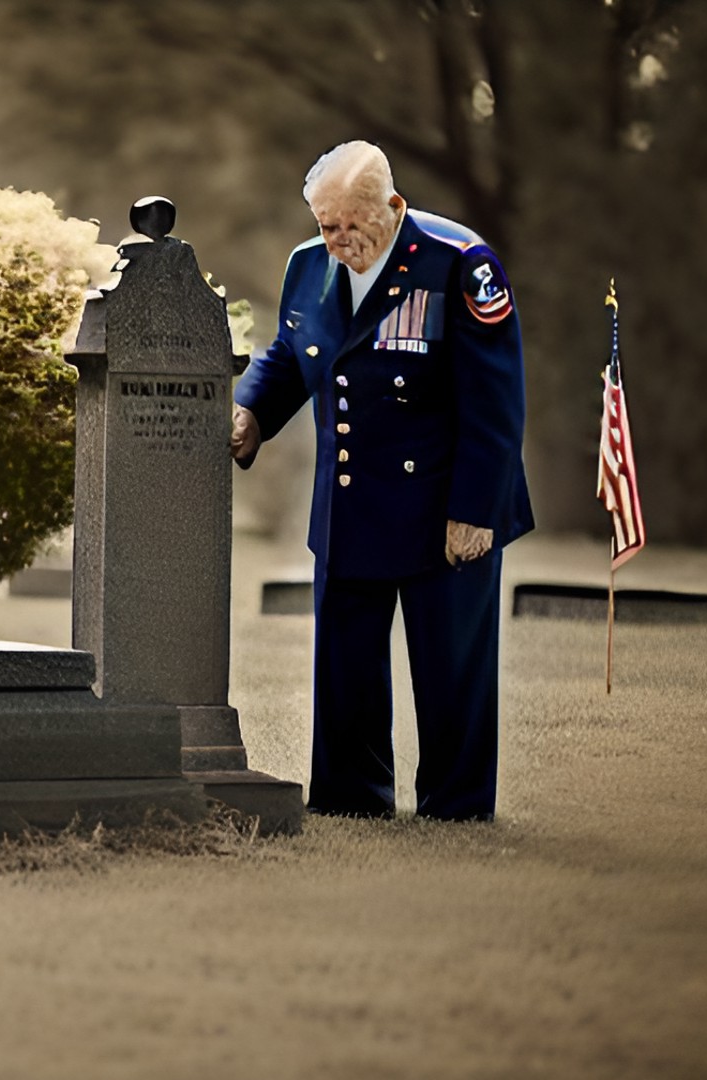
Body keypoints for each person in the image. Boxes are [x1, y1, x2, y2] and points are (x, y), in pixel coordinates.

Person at [230, 141, 533, 821]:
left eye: (352, 225)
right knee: (345, 669)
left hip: (443, 503)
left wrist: (477, 510)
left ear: (393, 206)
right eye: (325, 225)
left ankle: (455, 805)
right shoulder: (308, 267)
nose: (339, 241)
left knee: (450, 670)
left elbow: (496, 400)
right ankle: (351, 798)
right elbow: (290, 350)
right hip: (350, 499)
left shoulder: (460, 264)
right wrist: (251, 411)